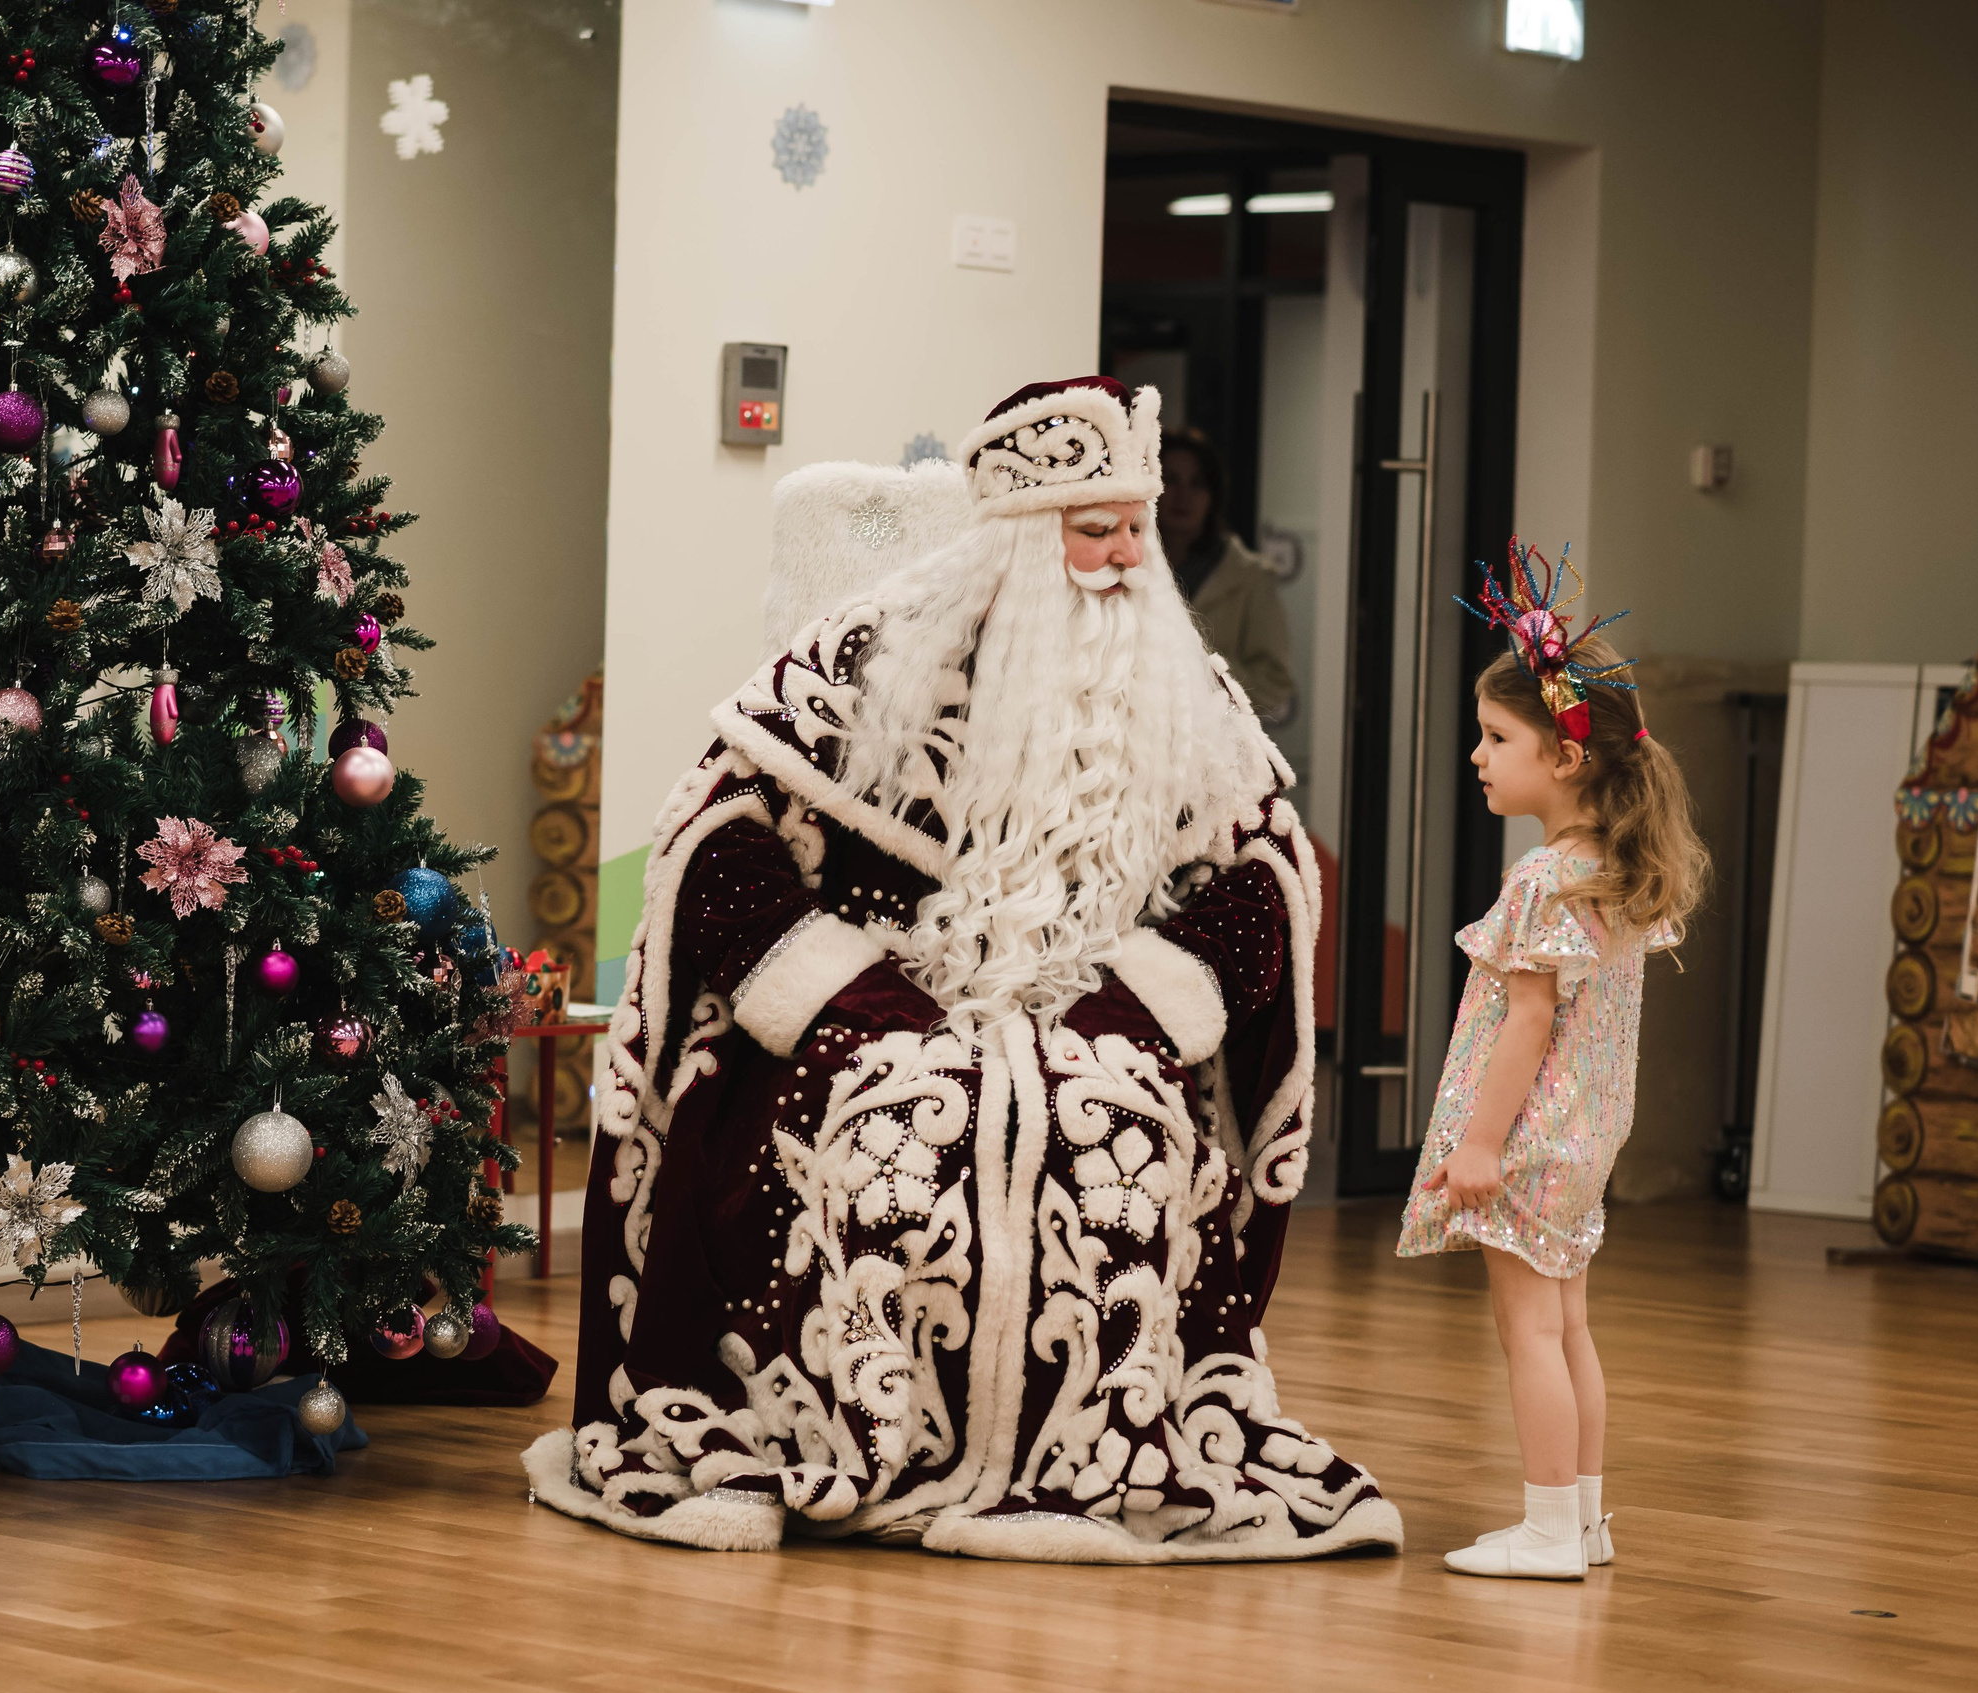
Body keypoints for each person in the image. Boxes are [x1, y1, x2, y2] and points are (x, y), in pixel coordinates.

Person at [527, 376, 1403, 1563]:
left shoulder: (1190, 692)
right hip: (874, 1006)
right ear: (1016, 540)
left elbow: (1267, 871)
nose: (1123, 557)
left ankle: (1082, 1464)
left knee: (1110, 1124)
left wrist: (1154, 996)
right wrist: (833, 987)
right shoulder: (863, 662)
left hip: (1096, 1011)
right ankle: (847, 1432)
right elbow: (715, 835)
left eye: (1135, 526)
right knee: (898, 1122)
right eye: (1092, 531)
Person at [1395, 545, 1707, 1579]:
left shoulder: (1540, 879)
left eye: (1495, 737)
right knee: (1567, 1324)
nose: (1477, 756)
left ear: (1565, 758)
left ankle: (1542, 1531)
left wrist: (1479, 1144)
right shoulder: (1613, 869)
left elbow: (1526, 1021)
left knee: (1527, 1329)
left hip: (1529, 1136)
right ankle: (1582, 1518)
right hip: (1587, 1134)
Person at [1158, 427, 1295, 724]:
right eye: (1170, 480)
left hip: (1217, 745)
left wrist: (1206, 671)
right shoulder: (1127, 566)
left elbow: (1276, 684)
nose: (1183, 495)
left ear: (1213, 494)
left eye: (1197, 483)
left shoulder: (1252, 578)